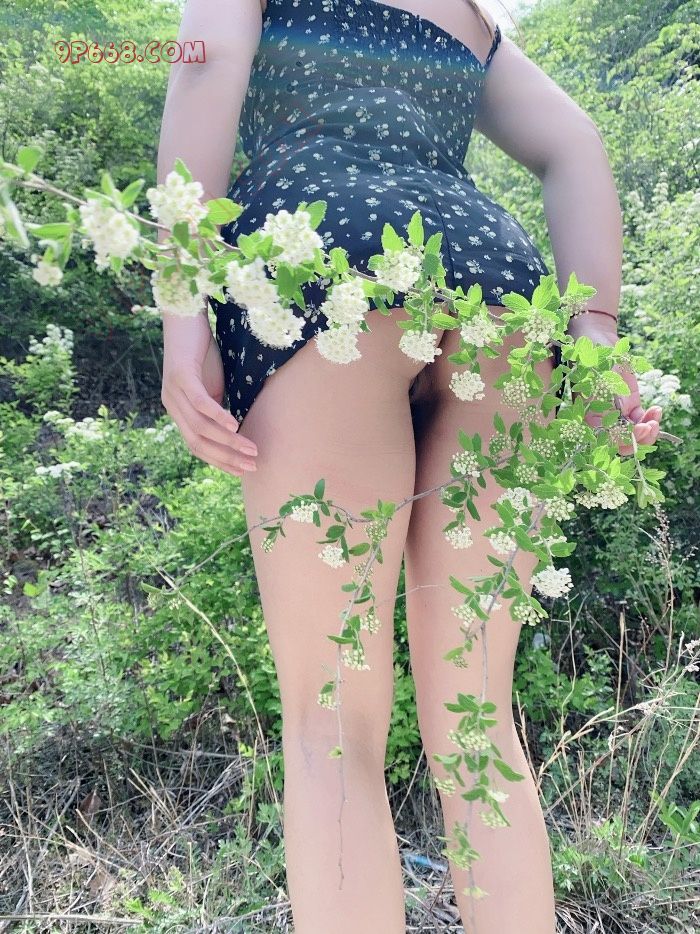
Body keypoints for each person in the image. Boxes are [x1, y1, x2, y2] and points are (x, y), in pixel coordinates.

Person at [157, 1, 663, 931]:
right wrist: (596, 334)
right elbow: (573, 144)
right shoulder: (471, 17)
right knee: (479, 725)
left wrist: (183, 316)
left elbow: (204, 64)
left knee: (330, 727)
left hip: (324, 264)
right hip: (497, 285)